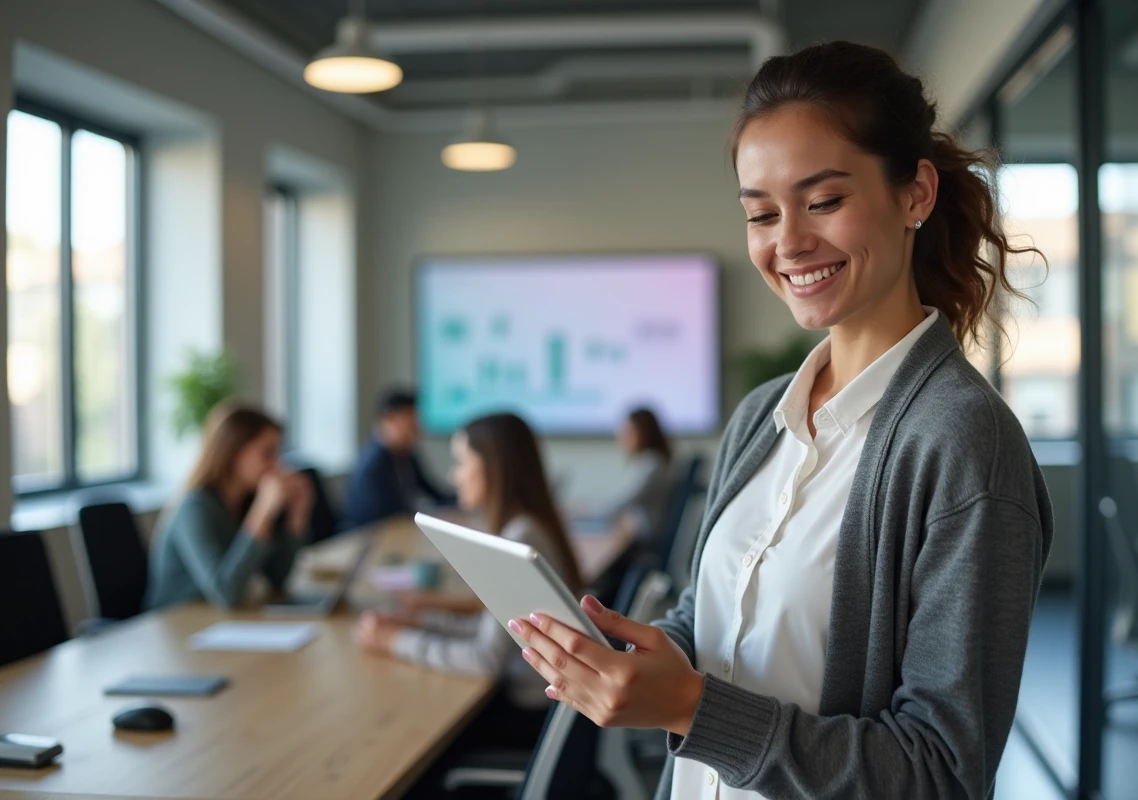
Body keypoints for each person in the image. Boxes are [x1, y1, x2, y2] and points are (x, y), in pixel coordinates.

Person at [509, 41, 1054, 800]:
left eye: (823, 201)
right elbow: (715, 620)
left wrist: (691, 708)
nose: (788, 242)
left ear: (916, 195)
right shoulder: (760, 416)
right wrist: (640, 659)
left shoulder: (964, 444)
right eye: (761, 213)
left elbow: (942, 774)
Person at [356, 412, 584, 744]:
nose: (454, 475)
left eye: (461, 462)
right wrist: (419, 622)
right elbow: (494, 629)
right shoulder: (528, 526)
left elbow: (485, 658)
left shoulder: (519, 538)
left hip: (528, 713)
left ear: (493, 467)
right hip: (538, 705)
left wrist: (395, 641)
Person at [145, 402, 313, 610]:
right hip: (173, 622)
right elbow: (226, 593)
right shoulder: (194, 508)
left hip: (216, 620)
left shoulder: (245, 502)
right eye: (267, 453)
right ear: (234, 453)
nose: (277, 465)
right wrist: (262, 512)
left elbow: (277, 577)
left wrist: (297, 515)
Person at [341, 388, 454, 530]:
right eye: (411, 420)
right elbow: (380, 518)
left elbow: (432, 491)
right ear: (390, 419)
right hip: (369, 535)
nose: (417, 427)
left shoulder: (405, 454)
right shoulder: (373, 464)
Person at [593, 408, 674, 546]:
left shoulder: (652, 464)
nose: (622, 436)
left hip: (645, 538)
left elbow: (624, 501)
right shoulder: (652, 461)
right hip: (643, 532)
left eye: (629, 431)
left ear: (643, 433)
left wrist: (588, 511)